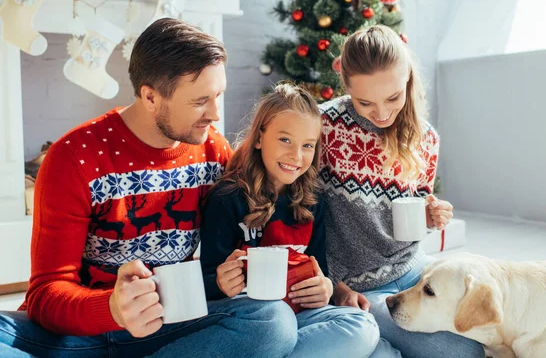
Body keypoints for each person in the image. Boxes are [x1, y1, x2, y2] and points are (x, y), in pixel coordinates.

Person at [0, 18, 297, 358]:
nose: (215, 113)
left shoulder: (214, 152)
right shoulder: (74, 157)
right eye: (200, 101)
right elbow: (45, 295)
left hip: (170, 330)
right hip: (80, 335)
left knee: (273, 322)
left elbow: (262, 227)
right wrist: (112, 308)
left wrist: (313, 277)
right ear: (151, 97)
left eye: (219, 96)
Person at [319, 25, 485, 358]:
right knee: (457, 353)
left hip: (413, 268)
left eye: (393, 98)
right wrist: (331, 286)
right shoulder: (324, 126)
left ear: (407, 77)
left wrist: (430, 216)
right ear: (345, 85)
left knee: (484, 336)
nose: (381, 113)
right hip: (354, 285)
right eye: (365, 102)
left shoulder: (426, 138)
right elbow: (298, 213)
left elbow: (412, 213)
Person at [200, 83, 380, 358]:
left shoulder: (313, 201)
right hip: (253, 322)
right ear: (259, 138)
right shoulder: (227, 199)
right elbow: (206, 282)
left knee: (364, 328)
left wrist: (326, 288)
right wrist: (219, 283)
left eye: (307, 145)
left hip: (299, 316)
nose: (297, 156)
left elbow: (319, 268)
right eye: (285, 140)